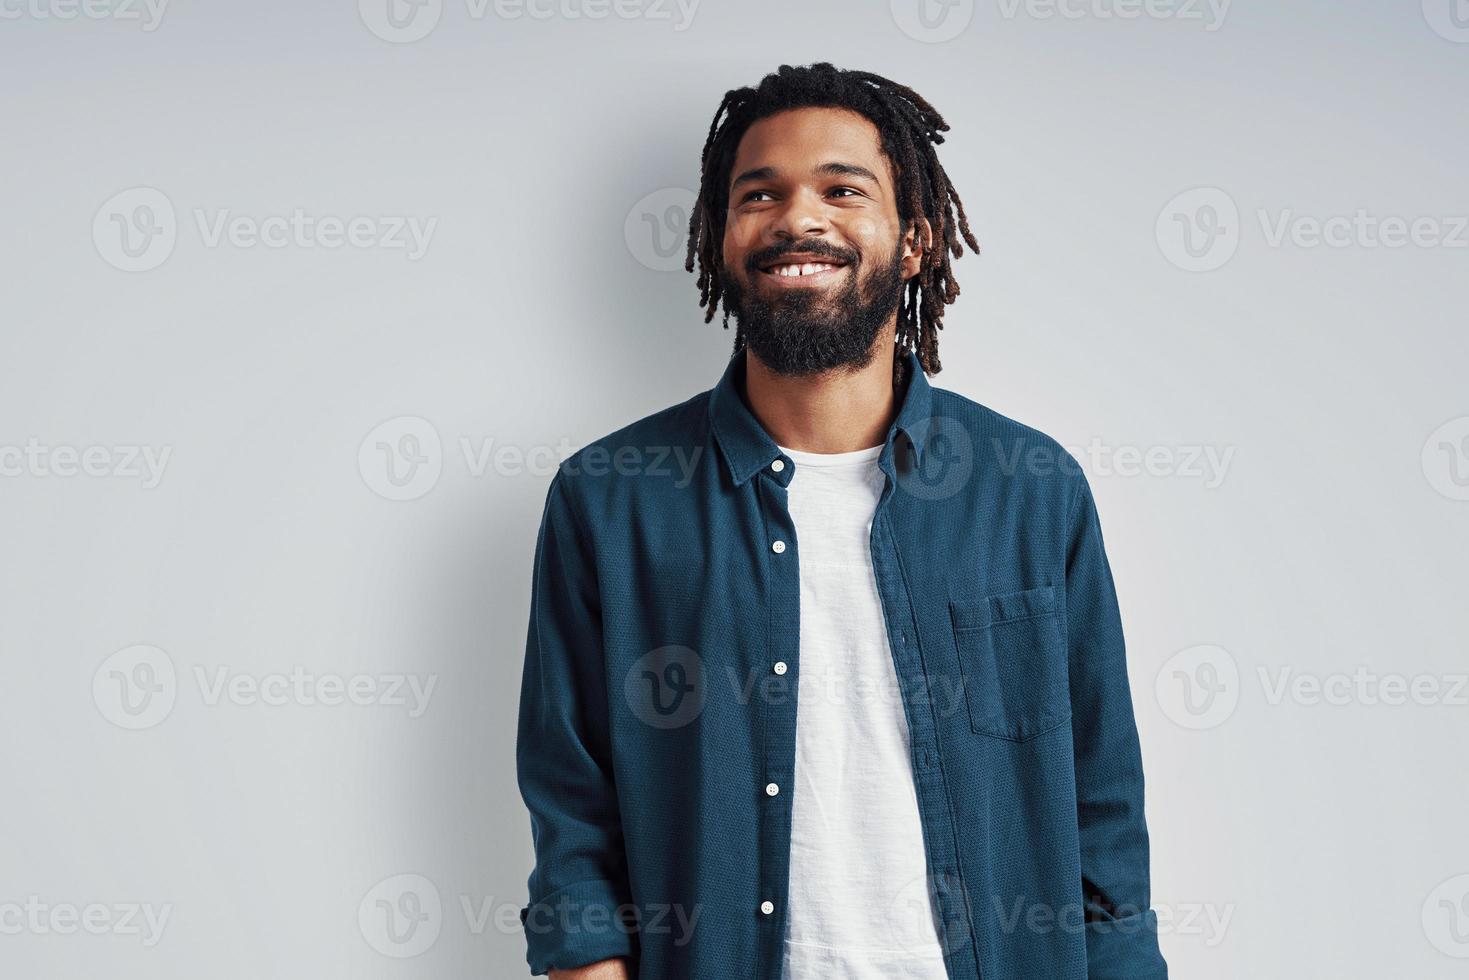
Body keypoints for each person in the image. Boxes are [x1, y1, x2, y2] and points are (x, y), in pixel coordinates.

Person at [516, 62, 1168, 980]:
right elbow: (572, 811)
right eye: (761, 193)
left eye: (841, 189)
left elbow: (1102, 804)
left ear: (914, 239)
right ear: (720, 234)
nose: (798, 218)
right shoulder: (612, 498)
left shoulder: (1029, 489)